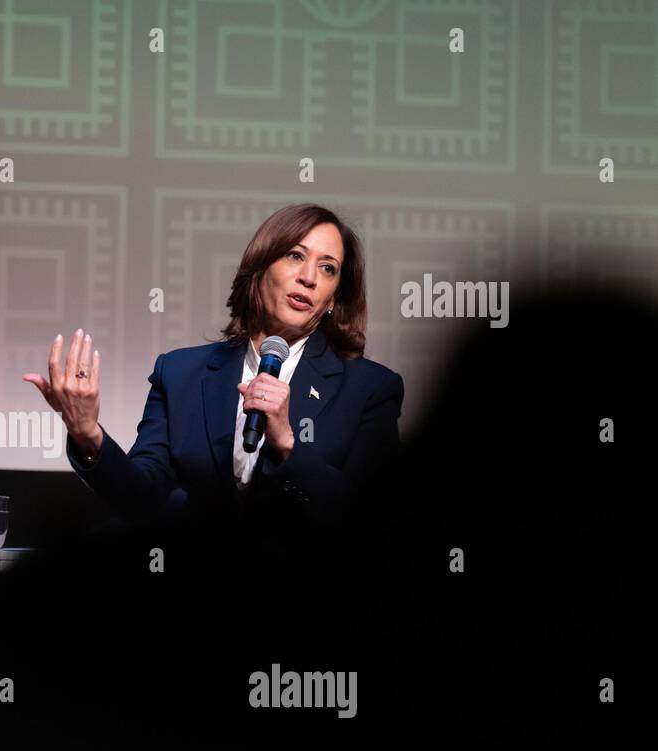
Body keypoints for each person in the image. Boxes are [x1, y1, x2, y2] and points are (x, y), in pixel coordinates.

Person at [23, 203, 404, 539]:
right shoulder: (180, 372)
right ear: (259, 267)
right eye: (294, 256)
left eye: (328, 268)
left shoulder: (370, 389)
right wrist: (88, 435)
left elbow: (366, 520)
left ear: (333, 299)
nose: (309, 277)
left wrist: (288, 446)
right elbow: (142, 498)